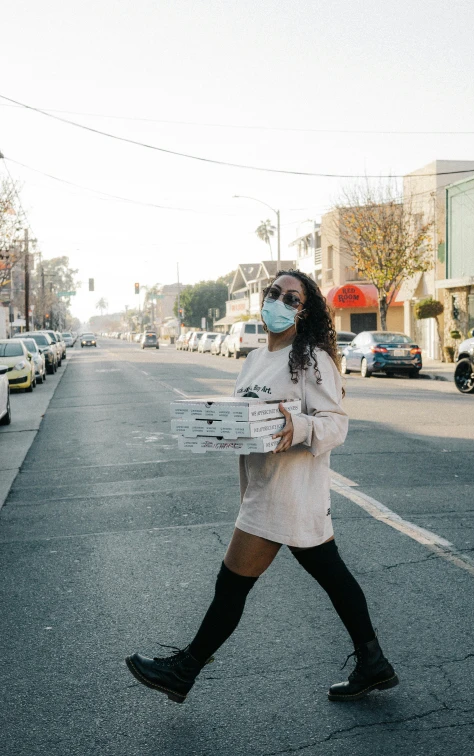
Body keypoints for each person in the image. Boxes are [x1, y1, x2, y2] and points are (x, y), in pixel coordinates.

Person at [126, 270, 398, 704]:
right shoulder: (253, 361)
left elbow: (337, 426)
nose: (279, 301)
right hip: (264, 489)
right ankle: (373, 662)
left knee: (231, 585)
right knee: (335, 577)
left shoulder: (311, 360)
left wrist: (301, 426)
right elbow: (246, 430)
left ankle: (184, 670)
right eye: (274, 293)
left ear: (304, 311)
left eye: (291, 298)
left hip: (287, 495)